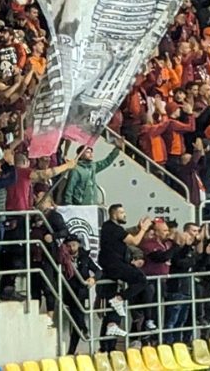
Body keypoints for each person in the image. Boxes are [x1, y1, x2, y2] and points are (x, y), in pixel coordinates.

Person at [98, 204, 154, 335]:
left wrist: (138, 228)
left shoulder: (108, 227)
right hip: (115, 264)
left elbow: (125, 234)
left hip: (111, 264)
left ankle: (112, 324)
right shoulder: (113, 228)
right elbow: (134, 241)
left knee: (112, 292)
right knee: (141, 279)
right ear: (114, 214)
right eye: (122, 212)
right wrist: (143, 229)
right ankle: (120, 298)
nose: (125, 214)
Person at [62, 139, 122, 205]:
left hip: (92, 204)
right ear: (81, 155)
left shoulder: (93, 166)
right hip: (80, 205)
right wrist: (68, 204)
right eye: (87, 152)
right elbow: (69, 188)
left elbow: (106, 161)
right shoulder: (76, 170)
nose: (91, 154)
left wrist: (117, 149)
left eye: (91, 152)